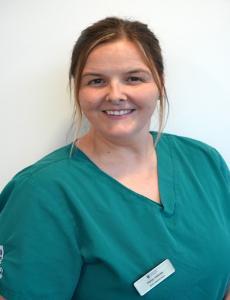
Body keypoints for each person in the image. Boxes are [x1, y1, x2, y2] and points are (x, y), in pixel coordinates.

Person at [0, 16, 229, 300]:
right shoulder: (42, 193)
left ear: (160, 84)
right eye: (96, 81)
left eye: (133, 78)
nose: (115, 94)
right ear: (78, 91)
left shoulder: (204, 162)